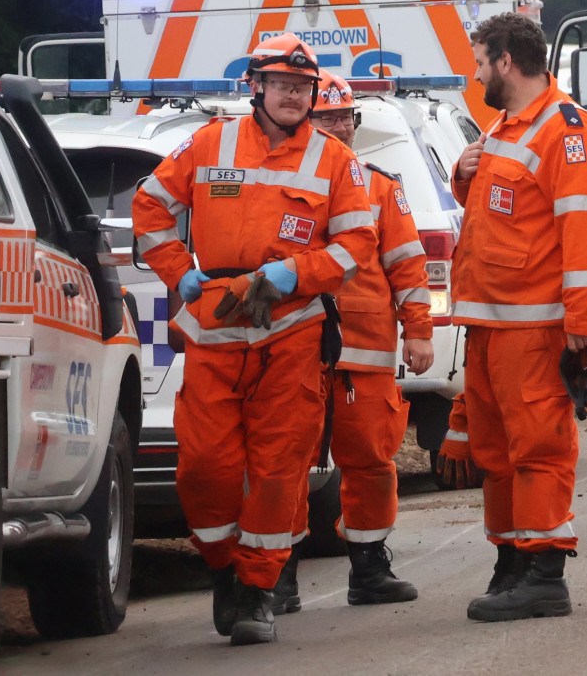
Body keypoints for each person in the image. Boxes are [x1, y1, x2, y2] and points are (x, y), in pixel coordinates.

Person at [131, 33, 377, 644]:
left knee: (277, 471)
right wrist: (180, 274)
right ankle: (223, 569)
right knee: (204, 470)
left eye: (303, 87)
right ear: (256, 87)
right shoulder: (210, 142)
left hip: (291, 333)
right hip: (215, 331)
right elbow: (150, 206)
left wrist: (294, 273)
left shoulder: (336, 161)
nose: (293, 95)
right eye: (282, 85)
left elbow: (358, 243)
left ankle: (257, 590)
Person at [449, 12, 587, 623]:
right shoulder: (504, 126)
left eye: (479, 61)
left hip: (536, 326)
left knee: (539, 447)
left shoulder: (565, 131)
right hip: (492, 324)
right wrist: (467, 174)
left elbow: (584, 229)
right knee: (495, 451)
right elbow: (500, 215)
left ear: (506, 63)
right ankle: (512, 560)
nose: (475, 72)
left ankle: (546, 572)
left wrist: (581, 321)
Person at [275, 72, 432, 611]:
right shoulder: (282, 183)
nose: (339, 127)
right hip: (294, 348)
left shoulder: (381, 186)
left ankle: (369, 567)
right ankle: (278, 575)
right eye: (327, 117)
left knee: (370, 460)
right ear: (304, 121)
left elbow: (408, 265)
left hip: (364, 353)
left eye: (346, 117)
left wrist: (419, 330)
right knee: (285, 461)